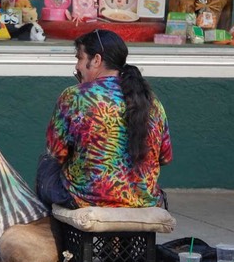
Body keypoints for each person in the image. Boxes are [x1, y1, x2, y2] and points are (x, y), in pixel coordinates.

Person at [36, 29, 172, 209]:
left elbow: (57, 152)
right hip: (143, 200)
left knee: (48, 163)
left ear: (96, 60)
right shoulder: (152, 101)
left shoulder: (74, 96)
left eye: (80, 58)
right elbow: (165, 157)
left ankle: (53, 235)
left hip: (86, 200)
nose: (77, 66)